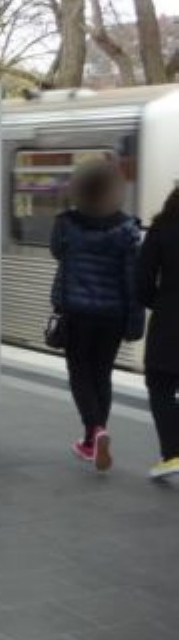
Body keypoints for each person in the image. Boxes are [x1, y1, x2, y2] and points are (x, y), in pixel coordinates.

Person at [49, 158, 142, 472]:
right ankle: (94, 437)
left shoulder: (66, 223)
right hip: (112, 316)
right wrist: (134, 322)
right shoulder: (128, 229)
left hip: (76, 312)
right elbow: (132, 280)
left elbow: (57, 252)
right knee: (102, 374)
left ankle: (94, 432)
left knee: (79, 372)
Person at [136, 187, 179, 480]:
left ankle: (173, 455)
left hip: (169, 323)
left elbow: (142, 282)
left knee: (160, 386)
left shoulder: (162, 231)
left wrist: (160, 304)